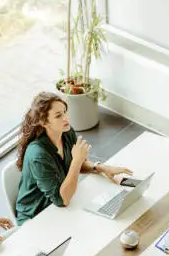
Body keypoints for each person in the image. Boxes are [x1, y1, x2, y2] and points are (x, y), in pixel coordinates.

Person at [15, 92, 132, 225]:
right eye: (58, 115)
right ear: (43, 122)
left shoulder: (66, 133)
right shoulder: (38, 155)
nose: (66, 118)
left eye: (65, 112)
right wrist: (77, 160)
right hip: (36, 216)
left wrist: (100, 168)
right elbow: (62, 200)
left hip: (59, 207)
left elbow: (77, 165)